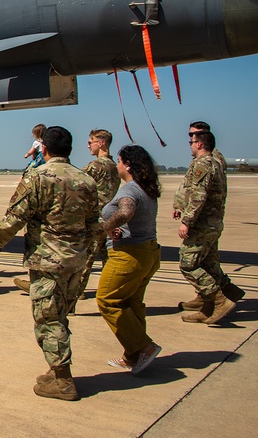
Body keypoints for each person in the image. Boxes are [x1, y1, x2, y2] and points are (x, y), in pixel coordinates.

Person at [0, 126, 99, 401]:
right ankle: (57, 369)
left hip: (48, 260)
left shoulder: (38, 176)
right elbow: (94, 224)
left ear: (44, 149)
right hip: (76, 259)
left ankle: (63, 380)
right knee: (60, 315)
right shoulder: (86, 180)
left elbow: (15, 216)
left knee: (48, 320)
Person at [96, 144, 163, 375]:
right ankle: (133, 355)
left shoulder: (129, 190)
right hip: (148, 252)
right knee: (132, 304)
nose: (116, 165)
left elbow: (125, 212)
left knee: (107, 300)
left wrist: (103, 226)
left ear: (128, 165)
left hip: (129, 254)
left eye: (119, 161)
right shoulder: (146, 188)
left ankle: (145, 346)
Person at [174, 129, 240, 324]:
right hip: (213, 223)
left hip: (202, 224)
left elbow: (198, 196)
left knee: (188, 264)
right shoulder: (217, 163)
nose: (190, 145)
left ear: (199, 144)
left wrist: (187, 221)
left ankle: (220, 300)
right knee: (208, 265)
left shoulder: (203, 164)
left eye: (191, 142)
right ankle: (208, 308)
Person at [72, 129, 122, 312]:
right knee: (109, 261)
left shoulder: (95, 166)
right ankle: (112, 296)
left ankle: (73, 299)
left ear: (101, 143)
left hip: (94, 220)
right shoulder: (115, 166)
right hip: (111, 219)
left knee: (84, 261)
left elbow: (77, 185)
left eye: (90, 141)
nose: (88, 145)